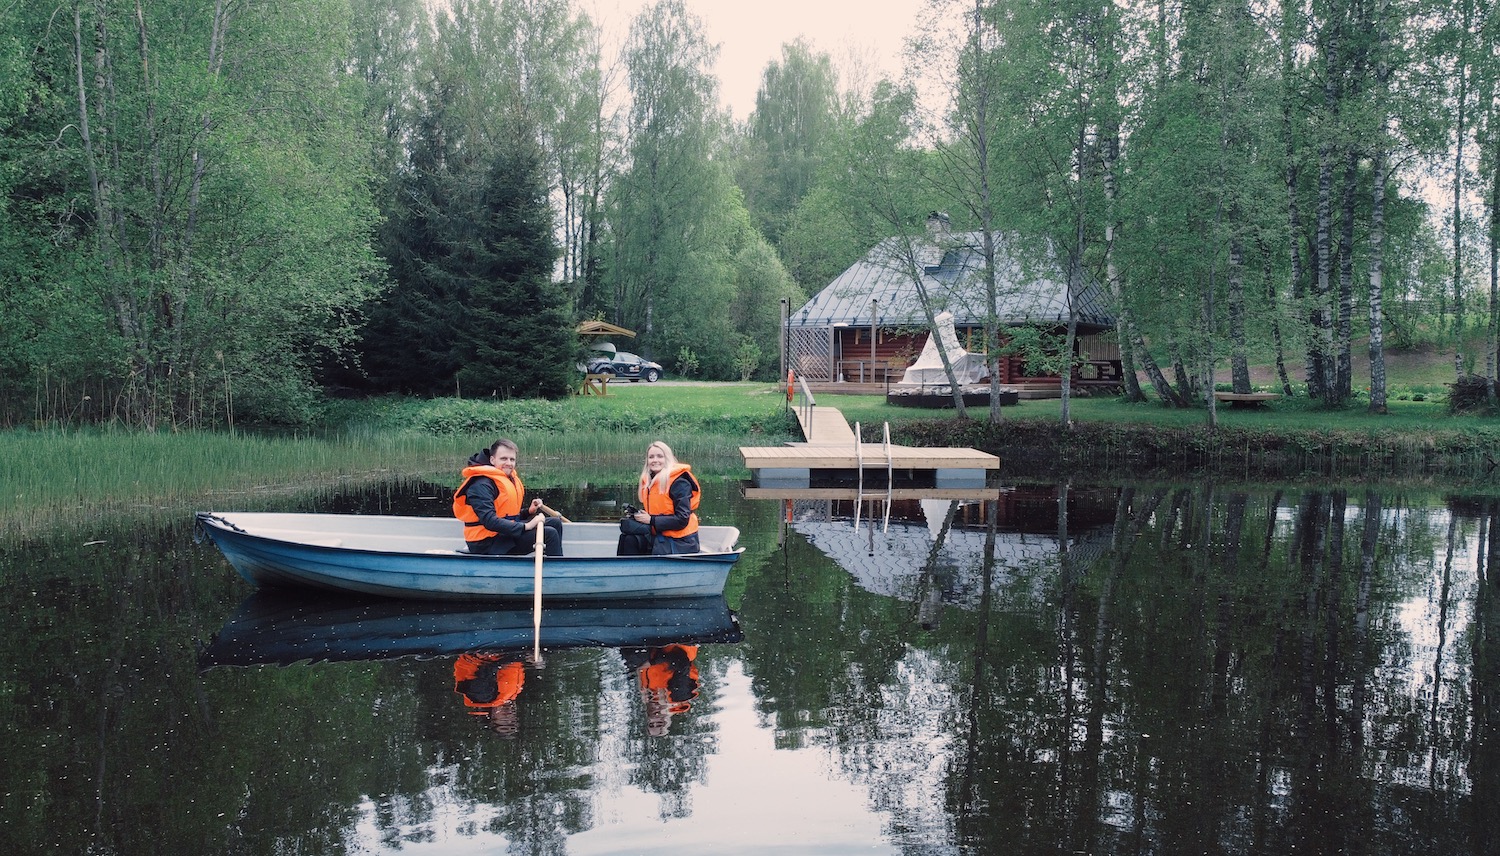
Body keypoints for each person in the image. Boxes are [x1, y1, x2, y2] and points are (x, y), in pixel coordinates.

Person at [453, 438, 562, 556]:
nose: (509, 463)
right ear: (492, 460)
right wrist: (526, 526)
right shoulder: (481, 485)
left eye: (512, 459)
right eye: (504, 458)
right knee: (550, 534)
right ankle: (557, 571)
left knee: (555, 522)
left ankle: (554, 562)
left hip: (502, 534)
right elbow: (489, 521)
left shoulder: (506, 478)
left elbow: (505, 516)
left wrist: (528, 511)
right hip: (486, 543)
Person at [629, 441, 700, 555]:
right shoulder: (650, 481)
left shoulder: (679, 483)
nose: (655, 460)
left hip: (681, 541)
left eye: (660, 456)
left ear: (667, 458)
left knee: (653, 550)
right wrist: (641, 516)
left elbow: (682, 519)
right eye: (651, 457)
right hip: (660, 535)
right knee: (629, 539)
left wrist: (651, 520)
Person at [453, 652, 525, 736]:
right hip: (503, 652)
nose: (510, 718)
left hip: (483, 651)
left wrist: (520, 657)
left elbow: (487, 668)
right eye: (513, 722)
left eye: (504, 722)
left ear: (492, 717)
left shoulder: (482, 697)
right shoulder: (509, 696)